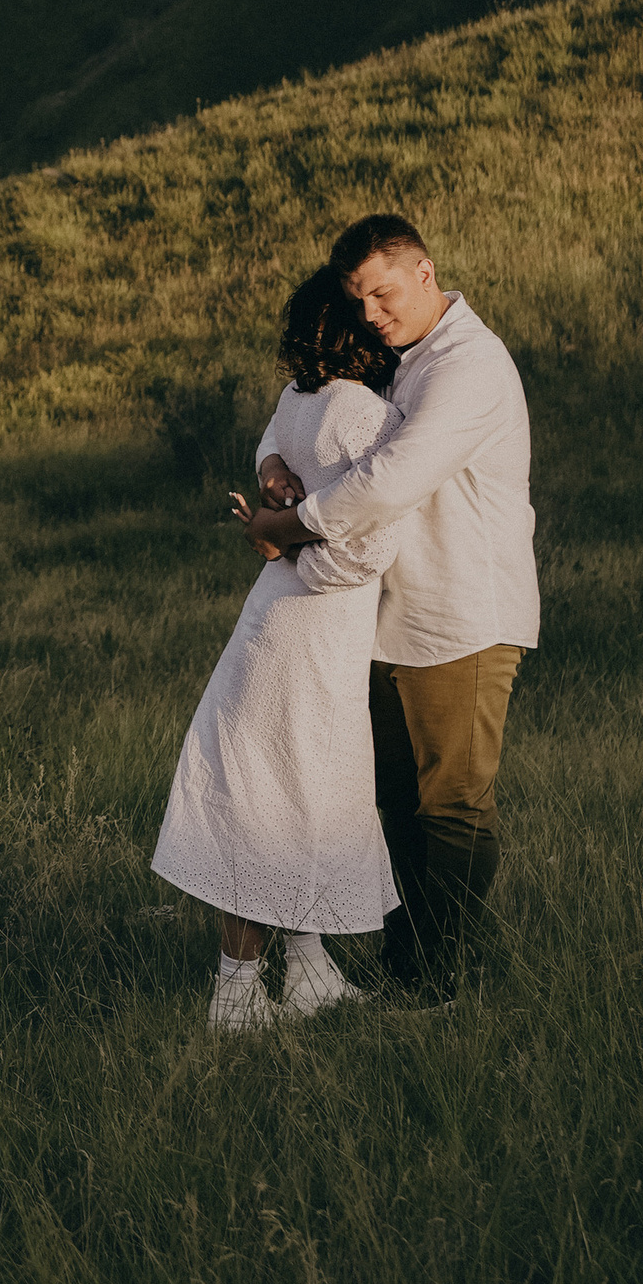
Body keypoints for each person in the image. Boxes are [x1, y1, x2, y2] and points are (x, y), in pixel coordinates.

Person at [237, 214, 539, 994]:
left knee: (453, 806)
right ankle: (410, 970)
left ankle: (440, 979)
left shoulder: (468, 365)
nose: (370, 312)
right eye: (358, 299)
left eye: (383, 292)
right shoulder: (389, 360)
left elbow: (388, 481)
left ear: (425, 272)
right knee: (397, 806)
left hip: (462, 617)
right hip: (382, 620)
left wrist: (284, 526)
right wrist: (272, 467)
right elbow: (292, 412)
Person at [152, 269, 398, 1032]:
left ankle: (309, 969)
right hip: (315, 628)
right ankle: (237, 992)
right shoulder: (364, 413)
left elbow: (271, 441)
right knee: (280, 798)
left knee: (292, 791)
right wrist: (293, 550)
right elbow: (369, 551)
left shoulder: (300, 397)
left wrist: (270, 482)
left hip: (276, 620)